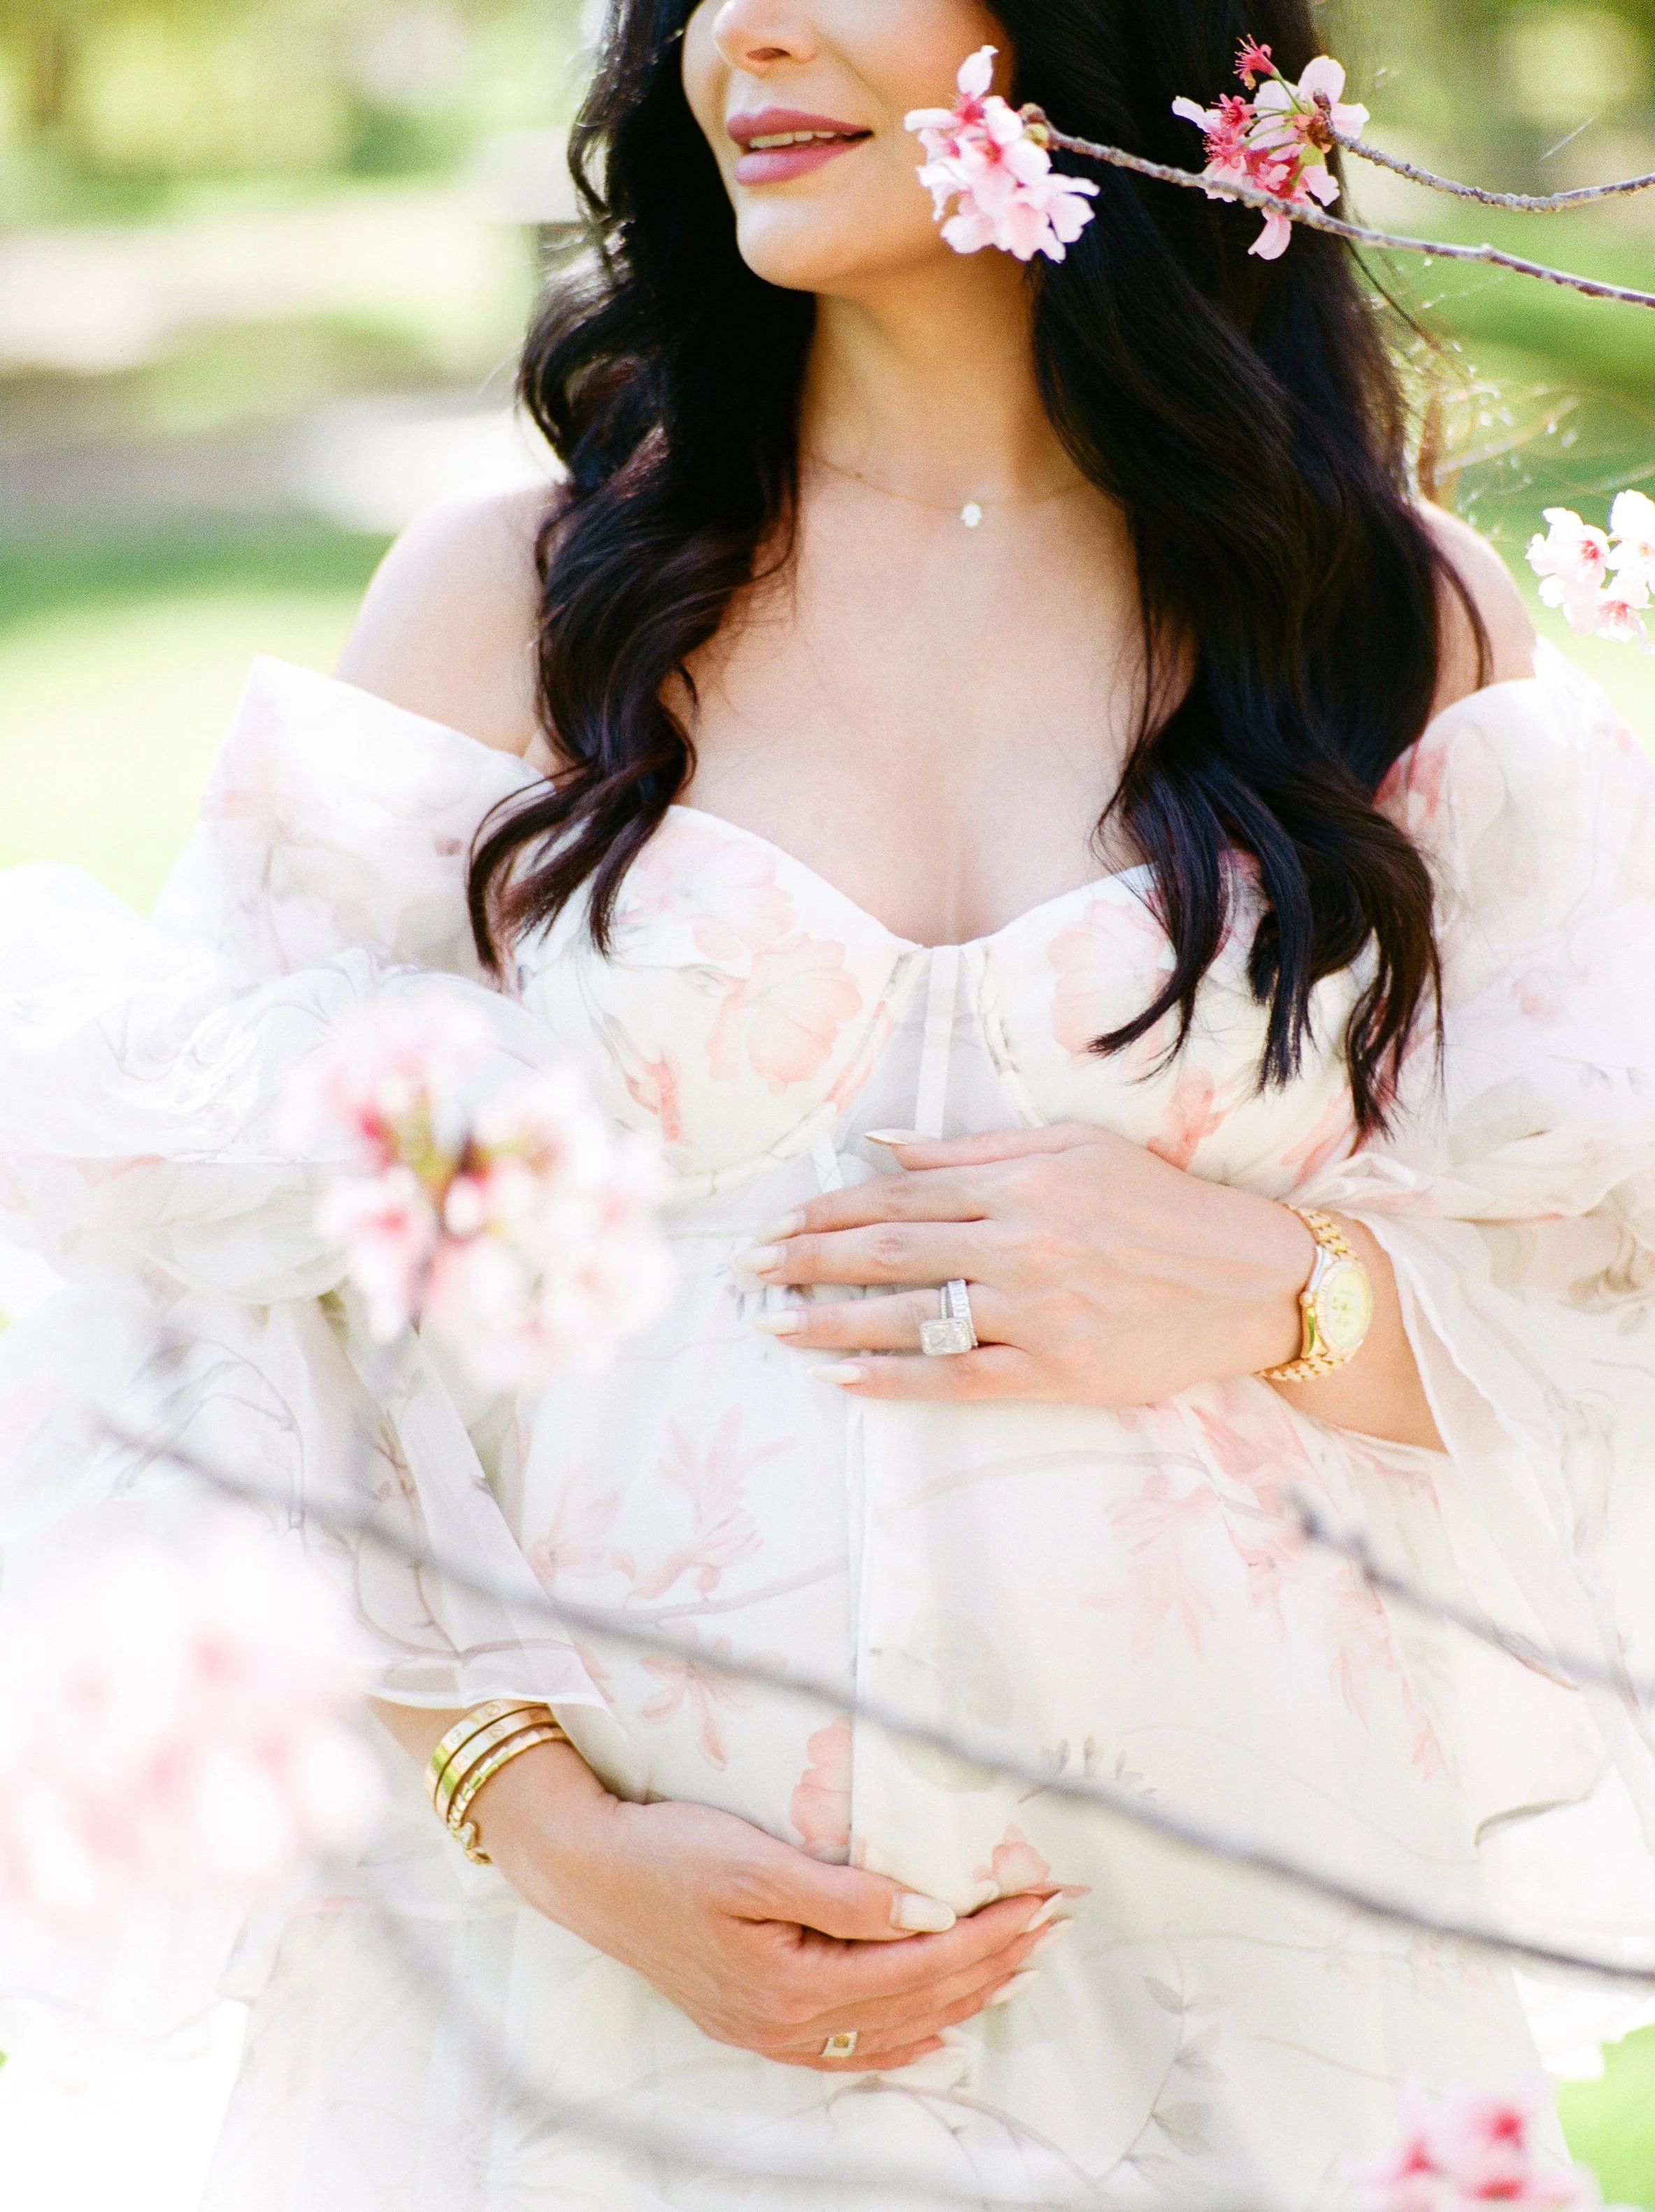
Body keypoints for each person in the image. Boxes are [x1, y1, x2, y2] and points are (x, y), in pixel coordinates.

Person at [3, 0, 1654, 2202]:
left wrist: (1291, 1292)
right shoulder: (520, 607)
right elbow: (198, 1287)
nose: (746, 27)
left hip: (1233, 1989)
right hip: (581, 2022)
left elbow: (1599, 1279)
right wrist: (534, 1814)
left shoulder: (1381, 626)